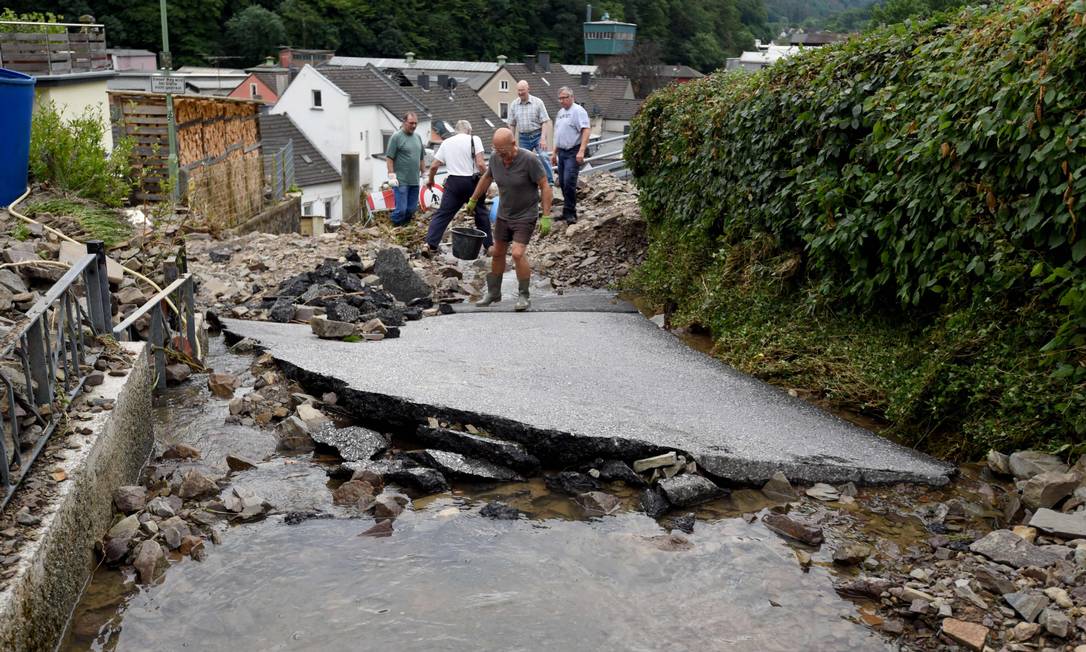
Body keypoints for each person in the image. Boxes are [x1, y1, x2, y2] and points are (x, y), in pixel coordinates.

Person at [464, 127, 553, 311]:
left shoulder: (529, 159)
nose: (500, 155)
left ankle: (524, 295)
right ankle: (494, 293)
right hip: (504, 214)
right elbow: (486, 178)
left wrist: (546, 216)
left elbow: (545, 186)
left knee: (517, 254)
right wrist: (473, 199)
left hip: (525, 214)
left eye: (503, 151)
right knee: (497, 252)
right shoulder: (496, 159)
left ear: (514, 144)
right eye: (497, 150)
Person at [423, 120, 493, 254]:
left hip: (453, 183)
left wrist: (431, 180)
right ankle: (489, 246)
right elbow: (481, 164)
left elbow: (433, 166)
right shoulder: (474, 139)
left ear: (456, 131)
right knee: (481, 213)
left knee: (443, 214)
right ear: (469, 130)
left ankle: (429, 244)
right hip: (472, 182)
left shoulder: (446, 142)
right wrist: (486, 182)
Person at [550, 87, 591, 224]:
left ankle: (571, 213)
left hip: (573, 151)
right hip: (561, 151)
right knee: (562, 182)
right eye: (560, 98)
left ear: (571, 97)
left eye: (564, 98)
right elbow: (558, 134)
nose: (561, 101)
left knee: (569, 182)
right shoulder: (560, 113)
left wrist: (581, 150)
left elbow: (585, 130)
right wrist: (554, 153)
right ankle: (566, 210)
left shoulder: (578, 111)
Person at [507, 80, 555, 185]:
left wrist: (543, 139)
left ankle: (550, 181)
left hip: (537, 135)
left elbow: (545, 122)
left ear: (528, 89)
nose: (520, 93)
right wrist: (512, 140)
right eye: (518, 90)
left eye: (522, 90)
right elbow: (511, 124)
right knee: (523, 160)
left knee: (543, 156)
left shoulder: (538, 102)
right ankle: (526, 181)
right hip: (523, 137)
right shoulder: (514, 105)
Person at [385, 111, 425, 226]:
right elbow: (389, 157)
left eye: (415, 123)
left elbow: (421, 158)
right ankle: (393, 226)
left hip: (414, 180)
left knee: (411, 210)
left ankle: (404, 227)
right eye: (411, 123)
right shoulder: (396, 137)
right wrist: (391, 175)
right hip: (401, 181)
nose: (413, 126)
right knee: (401, 210)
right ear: (404, 122)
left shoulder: (418, 137)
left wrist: (425, 174)